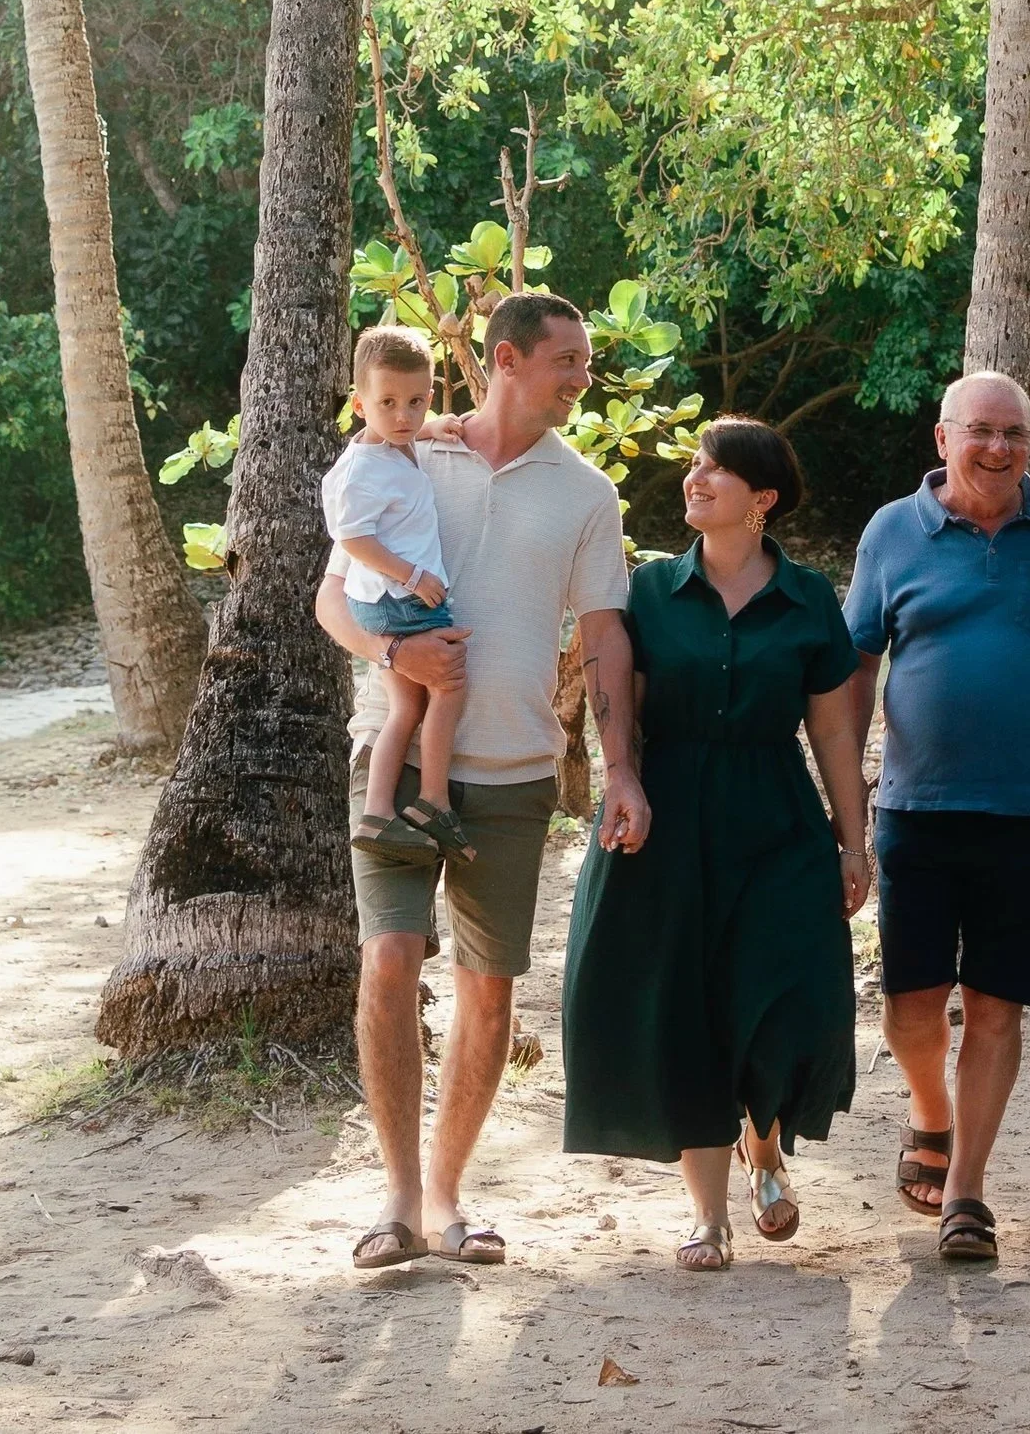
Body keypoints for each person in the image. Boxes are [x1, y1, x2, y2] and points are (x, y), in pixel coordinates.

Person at [314, 290, 633, 1272]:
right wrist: (387, 652)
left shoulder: (586, 493)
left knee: (487, 994)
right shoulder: (411, 454)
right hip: (402, 764)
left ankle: (450, 1195)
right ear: (506, 358)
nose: (583, 377)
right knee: (388, 963)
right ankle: (399, 1199)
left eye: (584, 362)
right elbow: (332, 594)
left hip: (516, 772)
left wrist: (620, 766)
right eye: (567, 360)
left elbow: (607, 635)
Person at [561, 418, 871, 1271]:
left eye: (715, 471)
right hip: (671, 817)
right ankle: (711, 1218)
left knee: (780, 995)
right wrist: (618, 779)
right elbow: (619, 701)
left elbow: (834, 733)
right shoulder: (652, 591)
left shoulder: (809, 597)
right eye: (695, 466)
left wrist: (854, 842)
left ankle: (763, 1146)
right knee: (690, 1010)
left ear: (761, 499)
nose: (694, 480)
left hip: (776, 818)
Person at [846, 369, 1030, 1265]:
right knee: (911, 1007)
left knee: (995, 1008)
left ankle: (966, 1191)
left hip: (1028, 809)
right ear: (941, 440)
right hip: (916, 807)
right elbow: (856, 665)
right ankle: (928, 1112)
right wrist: (851, 796)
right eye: (980, 431)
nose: (998, 449)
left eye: (1015, 434)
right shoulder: (891, 532)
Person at [324, 324, 472, 865]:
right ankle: (434, 801)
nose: (403, 416)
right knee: (450, 685)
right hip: (397, 598)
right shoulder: (362, 469)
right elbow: (352, 538)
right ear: (360, 404)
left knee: (405, 705)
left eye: (416, 401)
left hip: (384, 596)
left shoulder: (393, 443)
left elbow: (409, 432)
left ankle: (378, 813)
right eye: (387, 403)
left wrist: (437, 427)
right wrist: (412, 577)